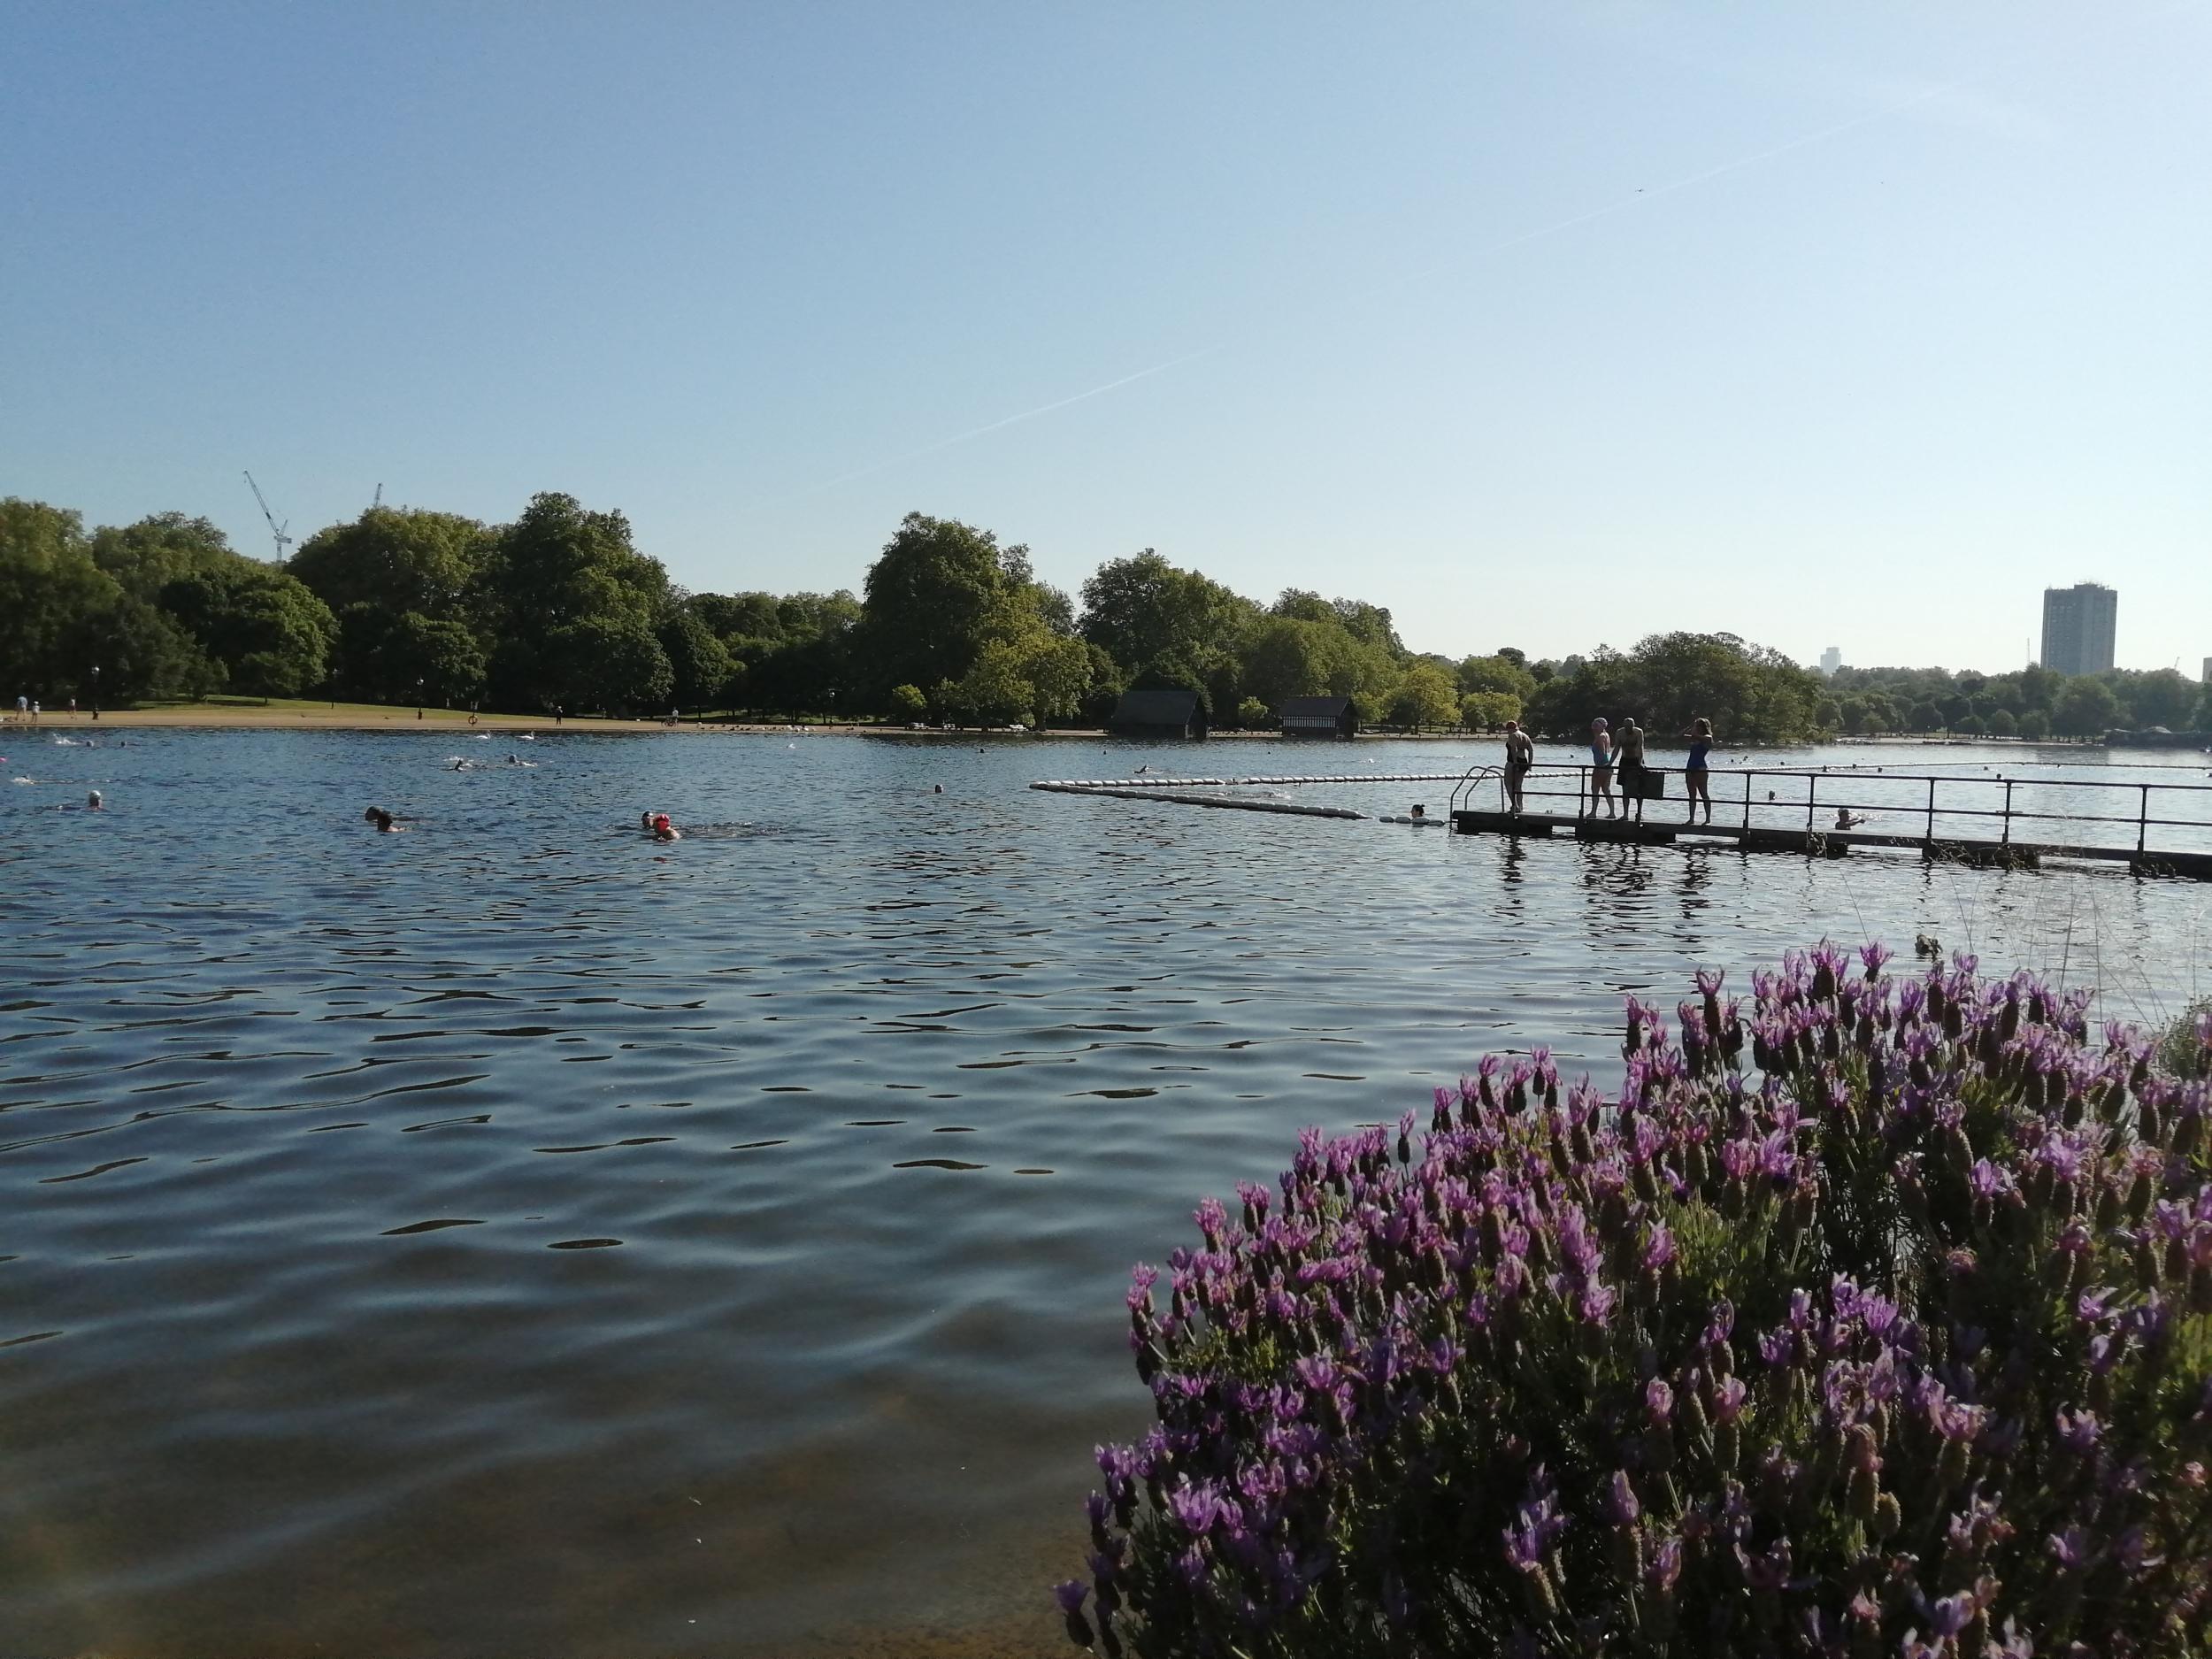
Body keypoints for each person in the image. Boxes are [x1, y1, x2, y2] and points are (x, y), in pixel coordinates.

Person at [1614, 718, 1648, 825]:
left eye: (1631, 727)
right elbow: (1616, 748)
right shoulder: (1620, 733)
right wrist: (1610, 763)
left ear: (1633, 725)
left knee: (1639, 788)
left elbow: (1640, 747)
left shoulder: (1638, 732)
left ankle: (1639, 812)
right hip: (1625, 760)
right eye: (1627, 727)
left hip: (1636, 759)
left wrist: (1640, 763)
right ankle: (1625, 814)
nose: (1629, 729)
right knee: (1625, 788)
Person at [1681, 718, 1716, 826]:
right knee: (1692, 795)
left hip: (1700, 768)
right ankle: (1691, 819)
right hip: (1690, 767)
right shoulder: (1694, 738)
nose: (1696, 728)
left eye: (1697, 726)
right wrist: (1689, 727)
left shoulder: (1707, 738)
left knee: (1703, 793)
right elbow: (1680, 736)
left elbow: (1698, 737)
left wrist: (1694, 731)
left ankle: (1708, 819)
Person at [1502, 720, 1534, 814]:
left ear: (1510, 728)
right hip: (1524, 762)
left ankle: (1514, 805)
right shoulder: (1525, 736)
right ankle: (1520, 806)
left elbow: (1513, 749)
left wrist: (1515, 762)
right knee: (1518, 786)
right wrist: (1530, 764)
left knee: (1508, 783)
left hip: (1513, 762)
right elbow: (1531, 750)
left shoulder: (1513, 735)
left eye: (1507, 729)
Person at [1589, 718, 1616, 818]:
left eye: (1596, 725)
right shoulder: (1606, 735)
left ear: (1602, 726)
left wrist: (1601, 767)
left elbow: (1603, 753)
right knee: (1606, 790)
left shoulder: (1600, 737)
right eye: (1593, 725)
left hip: (1601, 766)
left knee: (1595, 789)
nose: (1594, 727)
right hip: (1608, 766)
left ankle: (1593, 812)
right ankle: (1612, 812)